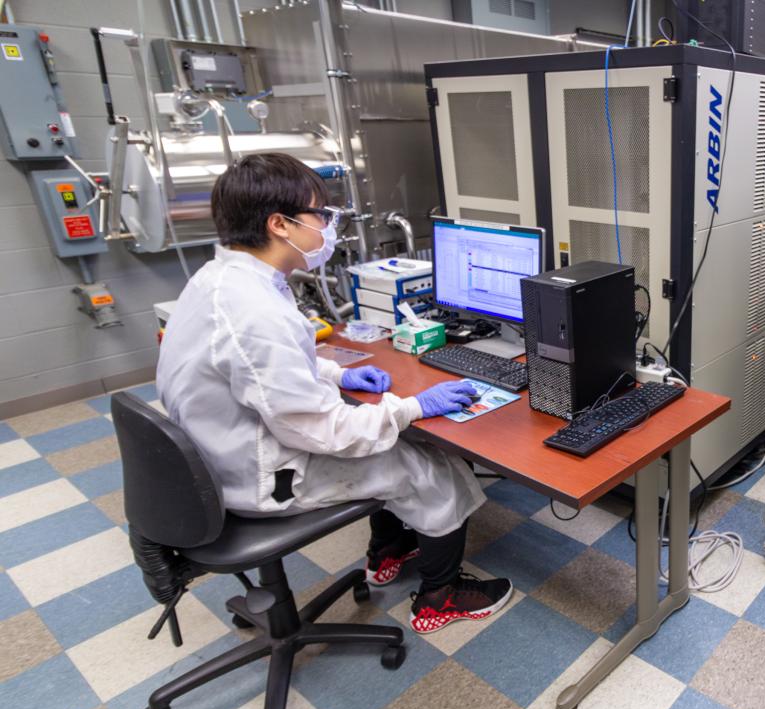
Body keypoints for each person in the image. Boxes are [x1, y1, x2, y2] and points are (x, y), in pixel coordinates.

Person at [156, 153, 511, 634]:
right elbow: (325, 431)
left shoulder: (224, 280)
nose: (327, 226)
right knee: (435, 468)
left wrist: (336, 376)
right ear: (280, 224)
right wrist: (411, 406)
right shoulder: (255, 311)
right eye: (320, 215)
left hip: (218, 453)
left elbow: (256, 371)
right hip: (261, 476)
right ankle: (439, 599)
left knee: (392, 439)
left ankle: (389, 550)